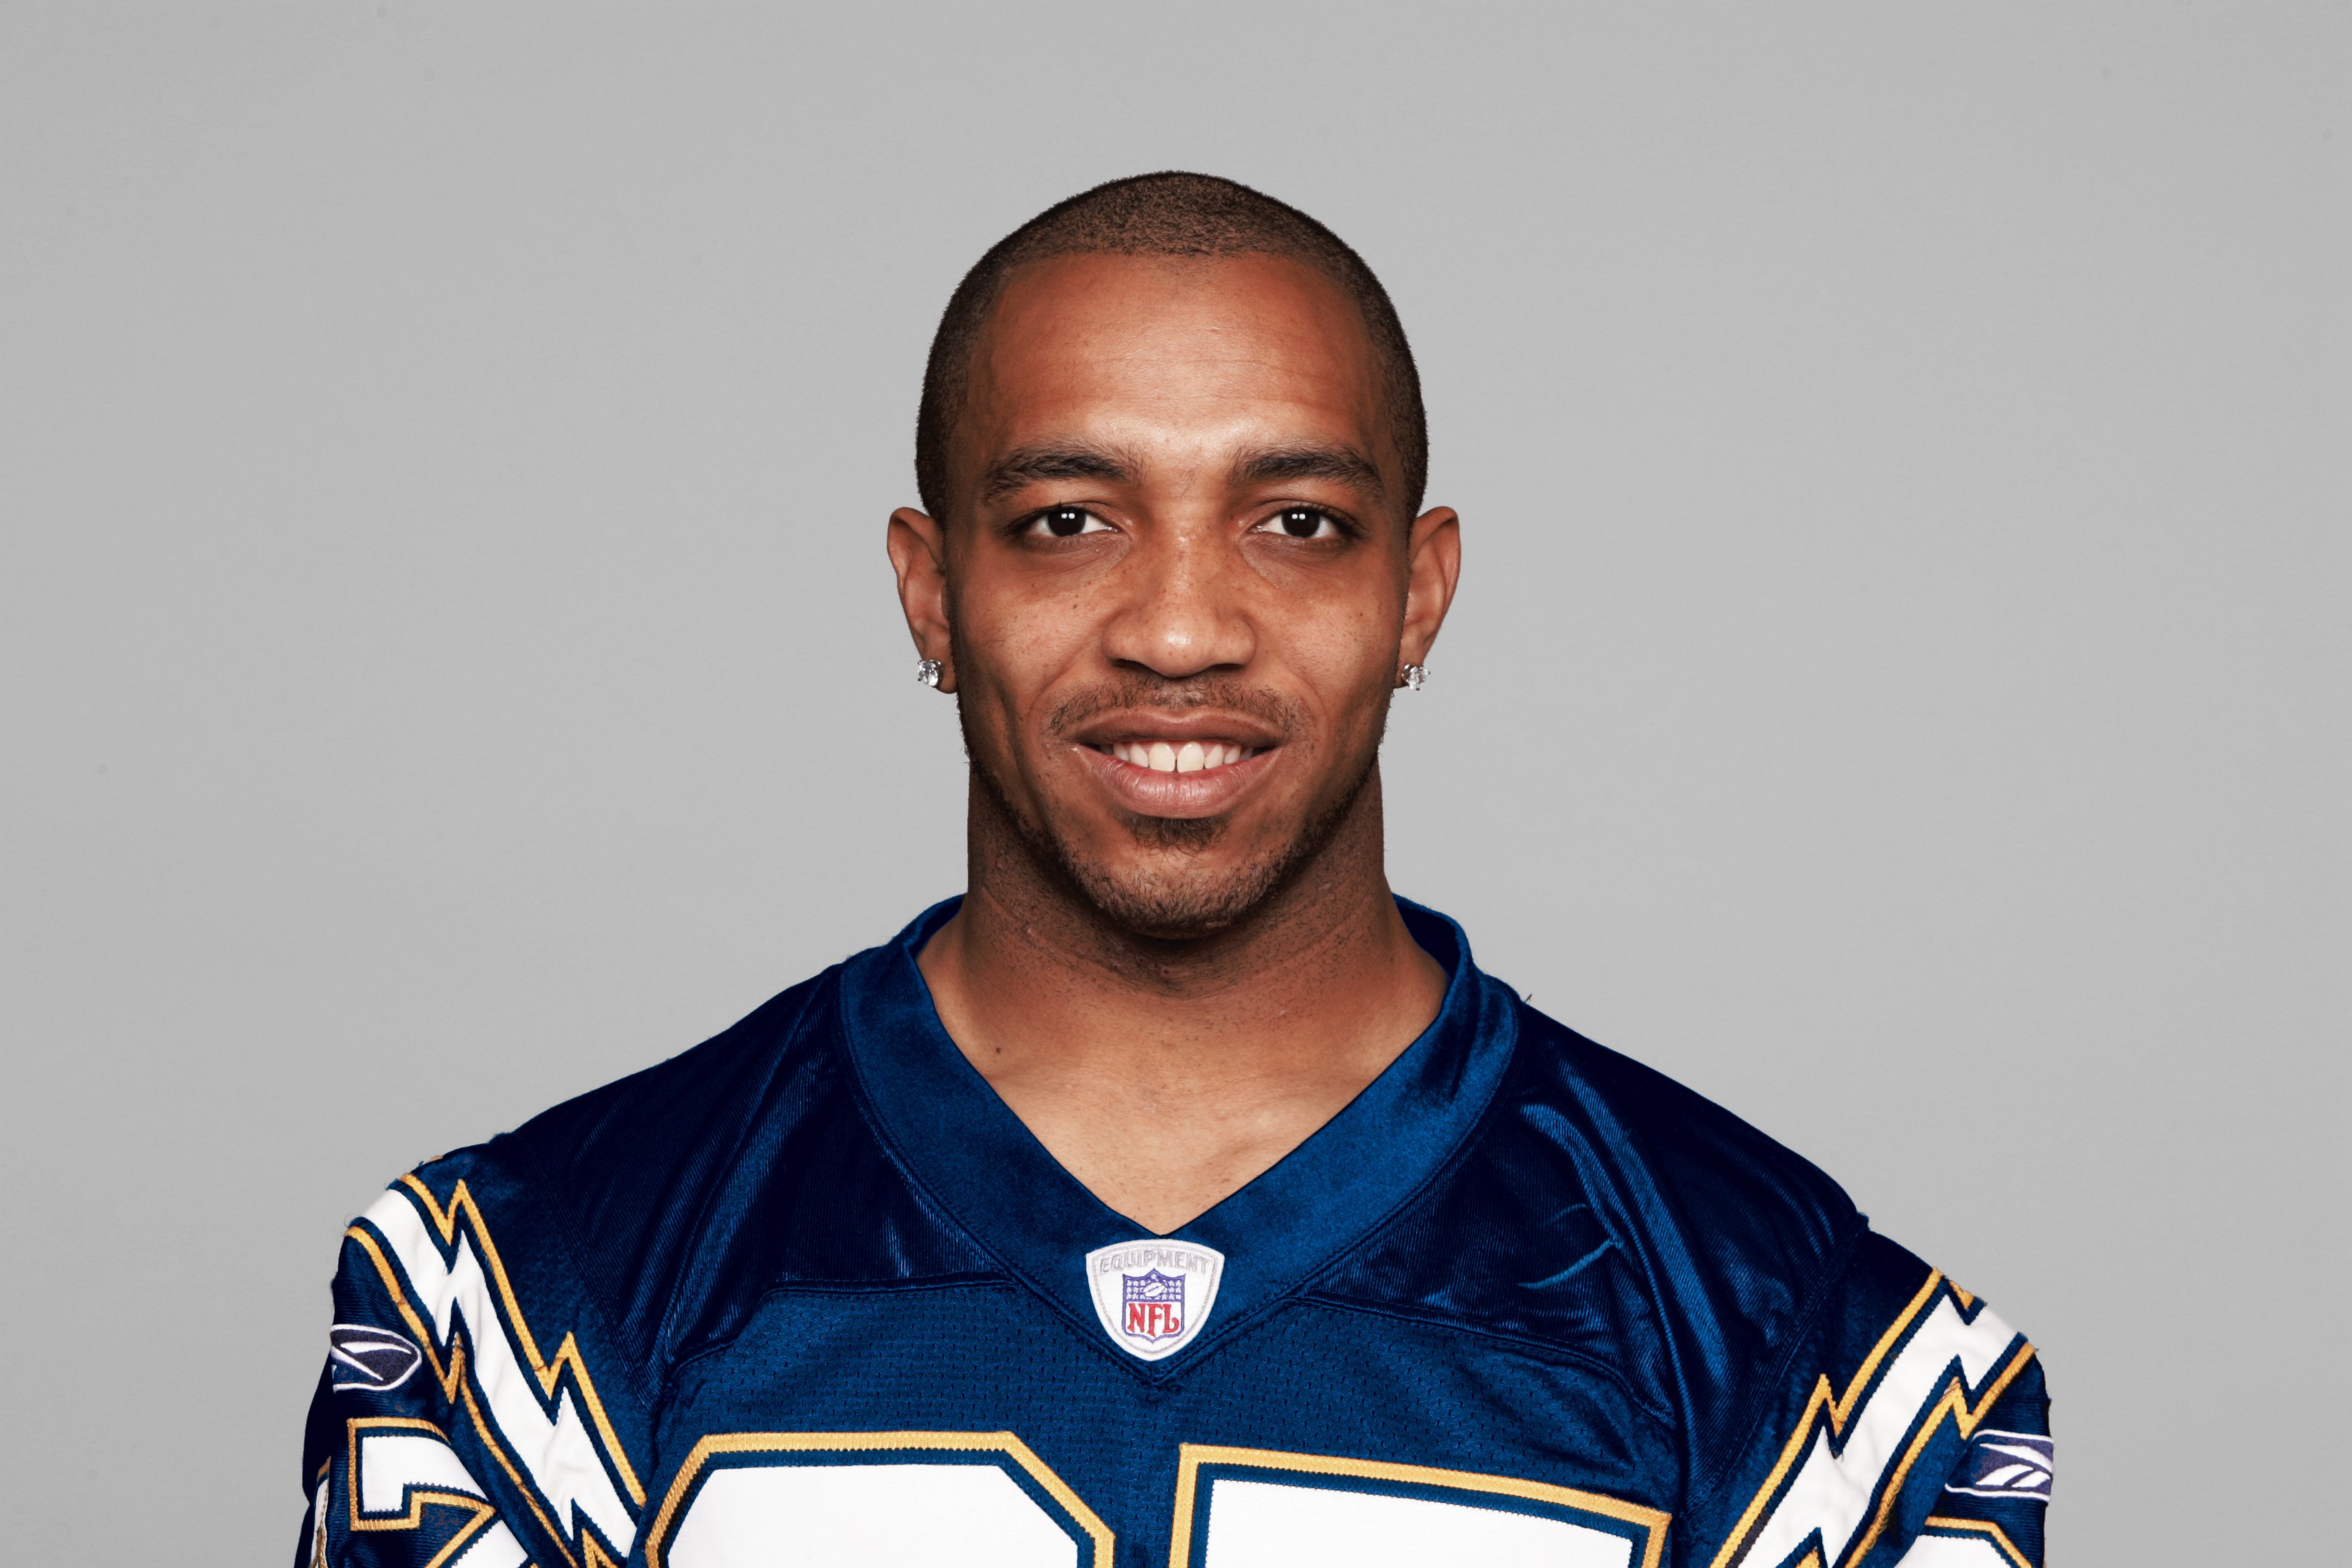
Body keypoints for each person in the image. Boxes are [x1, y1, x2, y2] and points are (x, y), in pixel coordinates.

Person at [294, 173, 2051, 1568]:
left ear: (1417, 595)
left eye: (1297, 523)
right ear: (931, 590)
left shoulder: (1797, 1351)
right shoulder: (532, 1306)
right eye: (1071, 519)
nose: (1184, 628)